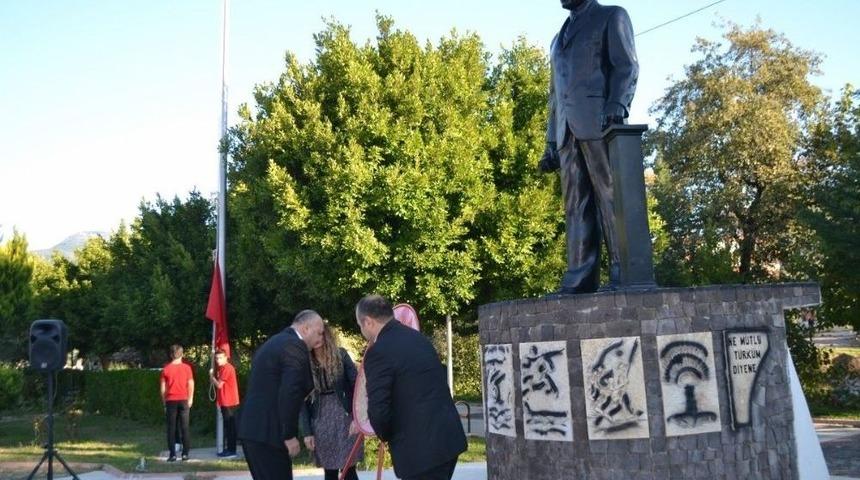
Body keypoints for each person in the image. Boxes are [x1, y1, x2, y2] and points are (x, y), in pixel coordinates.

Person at [538, 0, 639, 294]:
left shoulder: (611, 16)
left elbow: (626, 65)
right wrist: (551, 142)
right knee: (575, 204)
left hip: (600, 122)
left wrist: (617, 104)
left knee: (611, 198)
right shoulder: (558, 38)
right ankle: (580, 274)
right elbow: (555, 95)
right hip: (567, 130)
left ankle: (624, 272)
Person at [356, 295, 466, 480]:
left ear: (367, 321)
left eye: (359, 324)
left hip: (420, 451)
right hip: (447, 439)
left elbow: (378, 409)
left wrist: (385, 434)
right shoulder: (418, 338)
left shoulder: (378, 351)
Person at [238, 310, 325, 480]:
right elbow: (291, 391)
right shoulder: (294, 345)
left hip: (255, 431)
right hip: (269, 434)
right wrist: (289, 434)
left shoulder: (275, 342)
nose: (320, 338)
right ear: (306, 328)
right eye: (319, 333)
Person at [299, 322, 362, 480]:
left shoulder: (341, 355)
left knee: (349, 469)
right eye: (315, 334)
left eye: (321, 334)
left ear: (327, 335)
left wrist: (358, 417)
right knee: (330, 471)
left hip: (345, 416)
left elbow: (357, 385)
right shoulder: (305, 363)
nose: (318, 338)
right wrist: (307, 433)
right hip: (321, 420)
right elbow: (302, 401)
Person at [160, 344, 195, 462]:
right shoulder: (187, 368)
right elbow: (191, 383)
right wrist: (191, 398)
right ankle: (185, 454)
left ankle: (173, 454)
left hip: (171, 400)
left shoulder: (166, 369)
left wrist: (164, 402)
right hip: (184, 399)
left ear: (171, 355)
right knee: (185, 427)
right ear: (182, 354)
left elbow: (163, 389)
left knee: (171, 428)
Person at [210, 349, 240, 458]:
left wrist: (212, 378)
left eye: (220, 358)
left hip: (230, 402)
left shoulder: (227, 368)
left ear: (226, 357)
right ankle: (229, 449)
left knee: (230, 427)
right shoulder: (222, 368)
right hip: (225, 401)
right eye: (217, 358)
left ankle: (232, 451)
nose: (218, 360)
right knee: (228, 427)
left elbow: (219, 385)